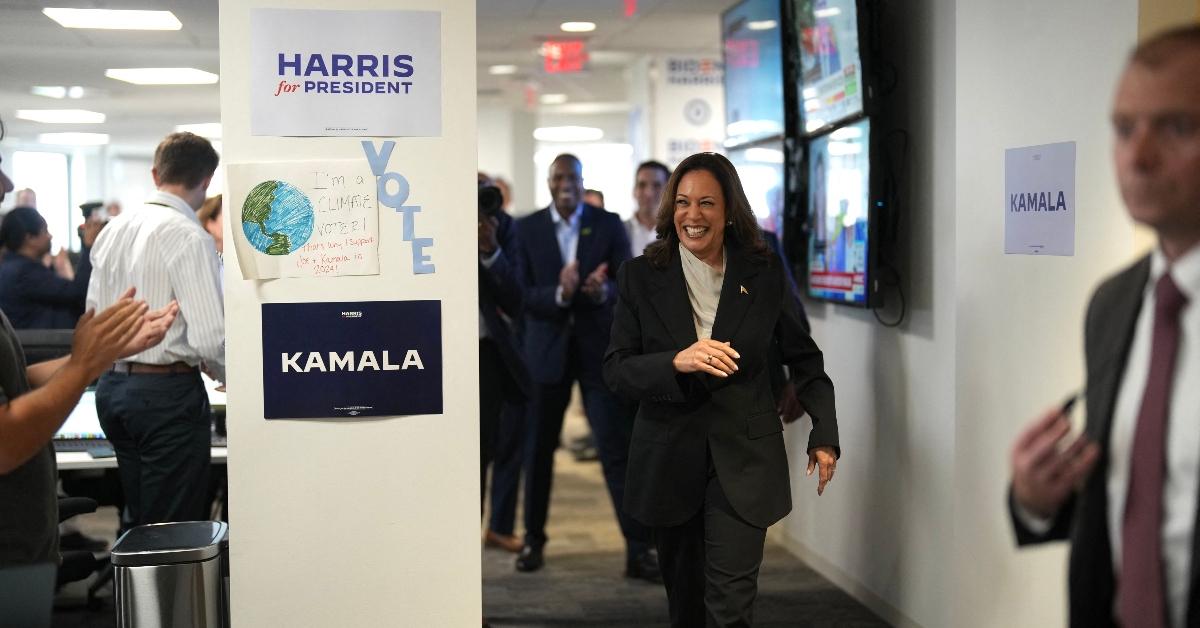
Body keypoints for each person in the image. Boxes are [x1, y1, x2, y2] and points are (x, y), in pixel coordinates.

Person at [1008, 25, 1200, 628]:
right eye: (1123, 129)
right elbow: (1131, 502)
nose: (1138, 157)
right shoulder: (1114, 304)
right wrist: (1037, 500)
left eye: (1176, 127)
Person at [604, 152, 839, 627]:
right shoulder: (640, 275)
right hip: (669, 458)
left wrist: (825, 432)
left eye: (707, 203)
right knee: (687, 608)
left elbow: (804, 356)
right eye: (684, 203)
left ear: (729, 210)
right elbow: (617, 370)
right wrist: (676, 361)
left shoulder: (763, 270)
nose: (694, 216)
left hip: (745, 460)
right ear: (672, 209)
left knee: (730, 606)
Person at [0, 115, 179, 566]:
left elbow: (17, 381)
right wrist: (81, 367)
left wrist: (101, 356)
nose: (4, 184)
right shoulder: (20, 274)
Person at [512, 153, 659, 581]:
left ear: (582, 181)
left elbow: (620, 282)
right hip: (546, 356)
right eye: (559, 178)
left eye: (573, 178)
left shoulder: (607, 223)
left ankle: (638, 549)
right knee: (538, 453)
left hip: (598, 354)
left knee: (616, 451)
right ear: (548, 181)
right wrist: (560, 293)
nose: (567, 185)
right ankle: (533, 541)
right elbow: (521, 294)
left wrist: (601, 289)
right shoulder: (527, 229)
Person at [86, 131, 225, 529]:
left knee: (140, 518)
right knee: (172, 527)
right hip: (165, 396)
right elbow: (209, 336)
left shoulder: (113, 229)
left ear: (155, 174)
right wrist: (234, 378)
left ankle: (133, 594)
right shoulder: (187, 235)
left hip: (113, 390)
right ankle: (163, 595)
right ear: (206, 181)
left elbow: (93, 315)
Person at [476, 175, 530, 525]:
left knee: (488, 447)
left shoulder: (503, 226)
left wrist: (490, 250)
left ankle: (491, 527)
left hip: (488, 352)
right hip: (440, 349)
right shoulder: (432, 219)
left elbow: (516, 299)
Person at [0, 207, 101, 328]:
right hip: (47, 345)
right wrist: (88, 246)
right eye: (45, 231)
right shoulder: (24, 272)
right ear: (30, 238)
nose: (50, 236)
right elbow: (80, 293)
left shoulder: (11, 267)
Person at [626, 160, 670, 256]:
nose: (648, 193)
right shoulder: (620, 230)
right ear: (634, 190)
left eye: (656, 185)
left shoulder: (678, 233)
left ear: (668, 191)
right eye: (642, 185)